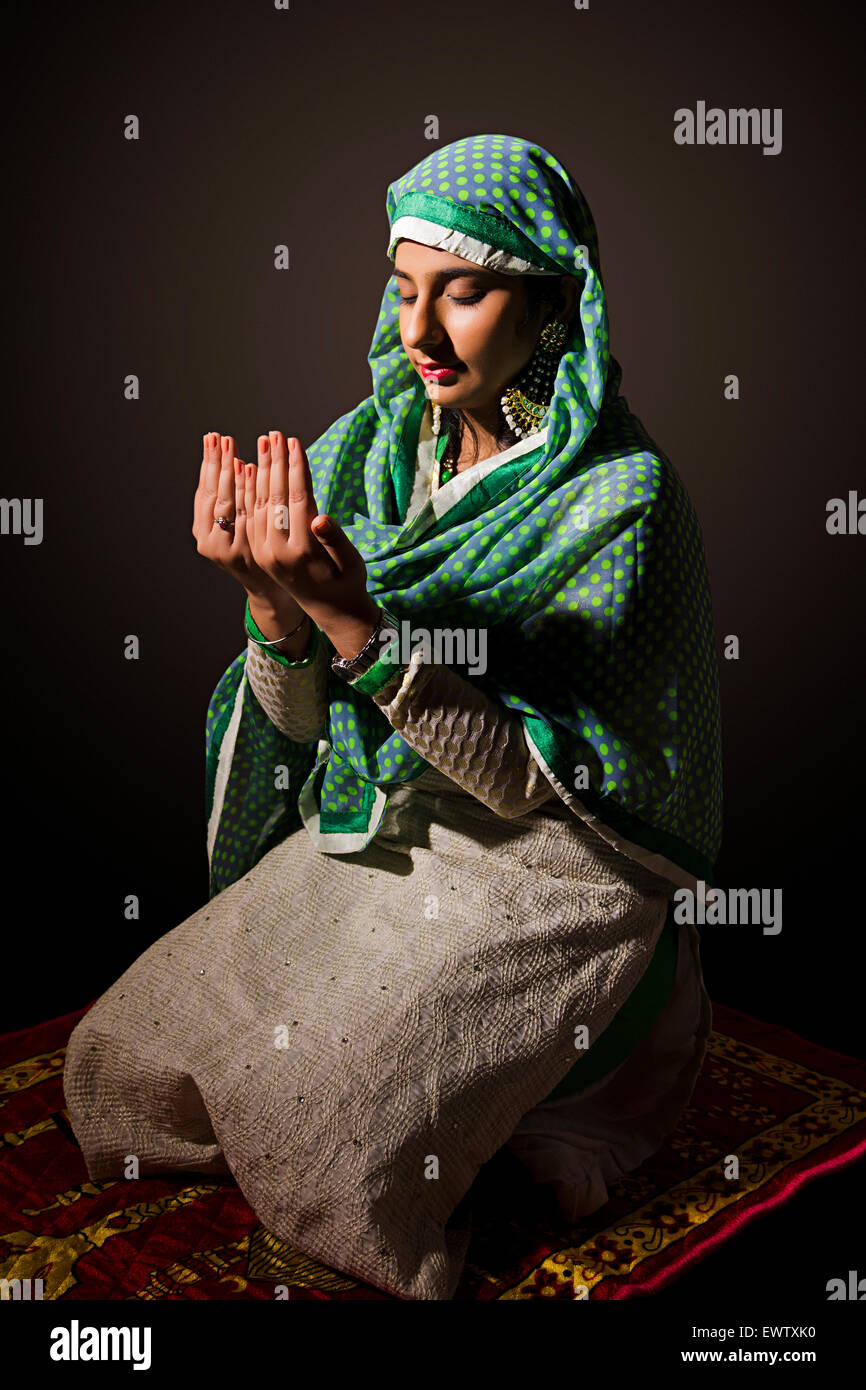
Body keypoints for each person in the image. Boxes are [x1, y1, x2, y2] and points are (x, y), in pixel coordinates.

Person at [63, 134, 722, 1301]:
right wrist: (273, 610)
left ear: (550, 303)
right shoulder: (367, 455)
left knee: (327, 1128)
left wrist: (352, 619)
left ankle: (555, 1093)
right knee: (121, 1061)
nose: (418, 333)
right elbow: (305, 727)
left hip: (544, 864)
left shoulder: (625, 501)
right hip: (391, 821)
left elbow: (526, 785)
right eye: (404, 288)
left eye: (461, 292)